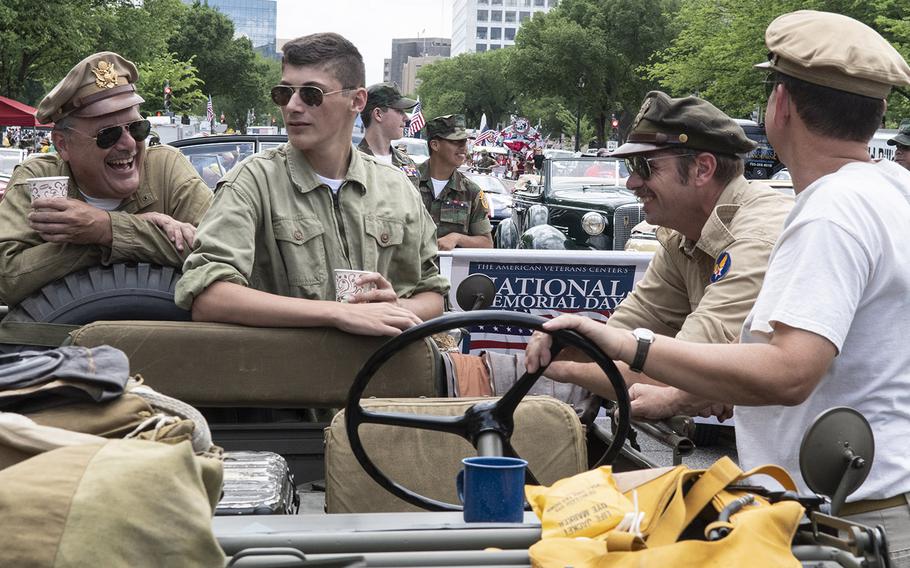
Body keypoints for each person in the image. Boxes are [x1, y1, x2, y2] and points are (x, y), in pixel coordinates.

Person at [526, 11, 910, 563]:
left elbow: (791, 371)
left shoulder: (831, 208)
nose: (634, 183)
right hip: (864, 510)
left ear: (780, 105)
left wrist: (625, 346)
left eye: (647, 168)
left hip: (845, 524)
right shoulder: (888, 189)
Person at [531, 90, 793, 419]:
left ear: (702, 169)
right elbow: (626, 335)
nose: (631, 181)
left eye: (645, 166)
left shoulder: (756, 237)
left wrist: (558, 370)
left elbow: (689, 368)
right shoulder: (683, 237)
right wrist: (569, 344)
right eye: (631, 165)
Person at [175, 33, 448, 337]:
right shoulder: (252, 183)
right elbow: (208, 296)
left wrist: (394, 308)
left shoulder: (397, 188)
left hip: (384, 375)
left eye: (311, 94)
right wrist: (336, 313)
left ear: (357, 101)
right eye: (284, 93)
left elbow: (433, 294)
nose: (292, 106)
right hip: (289, 377)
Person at [0, 52, 212, 307]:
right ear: (63, 144)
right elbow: (5, 278)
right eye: (107, 135)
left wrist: (107, 228)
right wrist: (99, 237)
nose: (129, 143)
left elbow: (218, 257)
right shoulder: (40, 180)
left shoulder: (166, 169)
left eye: (137, 128)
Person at [417, 114, 493, 251]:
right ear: (435, 145)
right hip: (409, 270)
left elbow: (486, 243)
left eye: (465, 141)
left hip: (448, 271)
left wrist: (457, 238)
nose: (464, 147)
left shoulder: (471, 192)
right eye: (456, 141)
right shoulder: (407, 182)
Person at [357, 82, 419, 185]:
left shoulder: (407, 162)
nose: (406, 118)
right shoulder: (352, 164)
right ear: (378, 114)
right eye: (399, 111)